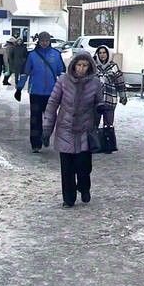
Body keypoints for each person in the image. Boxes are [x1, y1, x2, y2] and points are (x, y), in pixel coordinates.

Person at [42, 50, 105, 207]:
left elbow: (100, 102)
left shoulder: (95, 83)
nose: (81, 69)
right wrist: (47, 129)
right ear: (73, 65)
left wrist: (100, 109)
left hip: (85, 130)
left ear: (90, 67)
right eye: (79, 65)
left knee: (84, 167)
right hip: (66, 130)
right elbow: (52, 104)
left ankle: (84, 187)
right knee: (67, 168)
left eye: (85, 65)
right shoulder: (63, 81)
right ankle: (68, 199)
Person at [26, 32, 66, 152]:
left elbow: (62, 72)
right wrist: (19, 88)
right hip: (36, 92)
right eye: (42, 41)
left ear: (50, 41)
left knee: (50, 117)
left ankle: (46, 135)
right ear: (38, 41)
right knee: (35, 118)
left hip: (52, 92)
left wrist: (65, 87)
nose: (44, 43)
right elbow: (25, 71)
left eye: (46, 41)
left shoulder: (56, 54)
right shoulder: (32, 55)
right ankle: (35, 144)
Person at [94, 45, 127, 129]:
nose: (102, 55)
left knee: (108, 126)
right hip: (96, 100)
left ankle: (108, 137)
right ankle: (94, 138)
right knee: (93, 126)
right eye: (100, 53)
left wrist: (123, 96)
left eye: (104, 52)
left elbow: (120, 82)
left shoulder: (114, 66)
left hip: (110, 99)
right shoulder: (94, 66)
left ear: (108, 54)